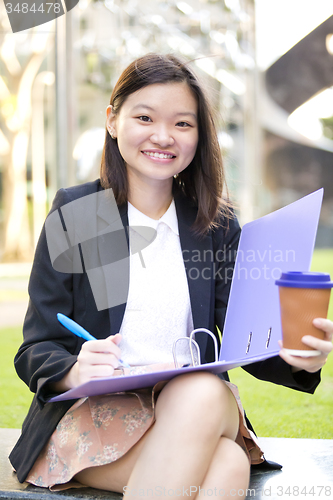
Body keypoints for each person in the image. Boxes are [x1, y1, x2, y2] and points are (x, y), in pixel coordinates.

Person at [9, 53, 333, 499]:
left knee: (198, 388)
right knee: (225, 465)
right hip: (97, 417)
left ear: (200, 135)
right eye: (144, 117)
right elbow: (38, 345)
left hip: (197, 406)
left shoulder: (215, 225)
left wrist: (299, 358)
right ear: (112, 120)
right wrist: (75, 371)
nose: (163, 136)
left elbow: (245, 337)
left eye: (183, 124)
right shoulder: (78, 215)